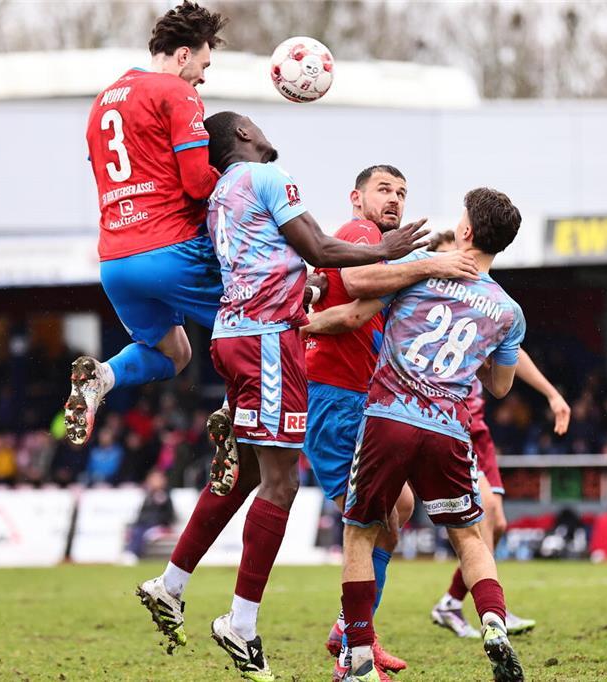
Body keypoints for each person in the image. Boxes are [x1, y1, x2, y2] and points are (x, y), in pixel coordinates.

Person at [134, 111, 427, 681]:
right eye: (252, 123)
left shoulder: (220, 195)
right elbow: (318, 245)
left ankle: (170, 585)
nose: (262, 128)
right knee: (283, 483)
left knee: (245, 473)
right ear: (242, 136)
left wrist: (306, 286)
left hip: (234, 335)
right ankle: (241, 623)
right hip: (271, 341)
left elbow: (271, 263)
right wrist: (385, 250)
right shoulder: (269, 176)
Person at [304, 188, 527, 681]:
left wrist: (303, 327)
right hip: (449, 430)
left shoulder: (423, 267)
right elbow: (501, 384)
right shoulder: (509, 312)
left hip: (390, 420)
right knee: (469, 536)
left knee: (359, 531)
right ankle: (494, 625)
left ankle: (358, 656)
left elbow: (356, 313)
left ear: (465, 231)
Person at [66, 2, 227, 446]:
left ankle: (102, 376)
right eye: (203, 63)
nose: (203, 76)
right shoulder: (176, 93)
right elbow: (197, 183)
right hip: (170, 250)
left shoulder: (103, 103)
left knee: (175, 353)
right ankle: (238, 414)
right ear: (182, 56)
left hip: (116, 262)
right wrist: (237, 181)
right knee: (255, 322)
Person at [425, 230, 571, 638]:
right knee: (484, 515)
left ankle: (452, 602)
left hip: (477, 428)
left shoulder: (482, 303)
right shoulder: (425, 301)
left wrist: (551, 393)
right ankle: (482, 609)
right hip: (442, 422)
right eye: (445, 256)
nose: (456, 261)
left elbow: (511, 350)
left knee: (499, 523)